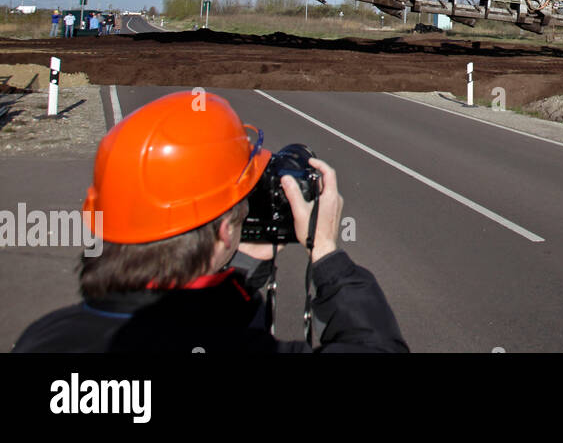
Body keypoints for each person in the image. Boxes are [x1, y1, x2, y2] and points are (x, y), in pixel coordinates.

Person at [12, 91, 408, 353]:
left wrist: (246, 268)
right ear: (223, 231)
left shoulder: (41, 338)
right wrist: (327, 256)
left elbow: (189, 323)